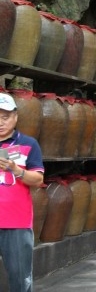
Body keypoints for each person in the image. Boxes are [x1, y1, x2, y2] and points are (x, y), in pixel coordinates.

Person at [0, 93, 45, 292]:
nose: (1, 122)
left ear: (15, 117)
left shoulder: (28, 144)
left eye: (5, 116)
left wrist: (16, 170)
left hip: (16, 222)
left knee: (20, 277)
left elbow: (38, 179)